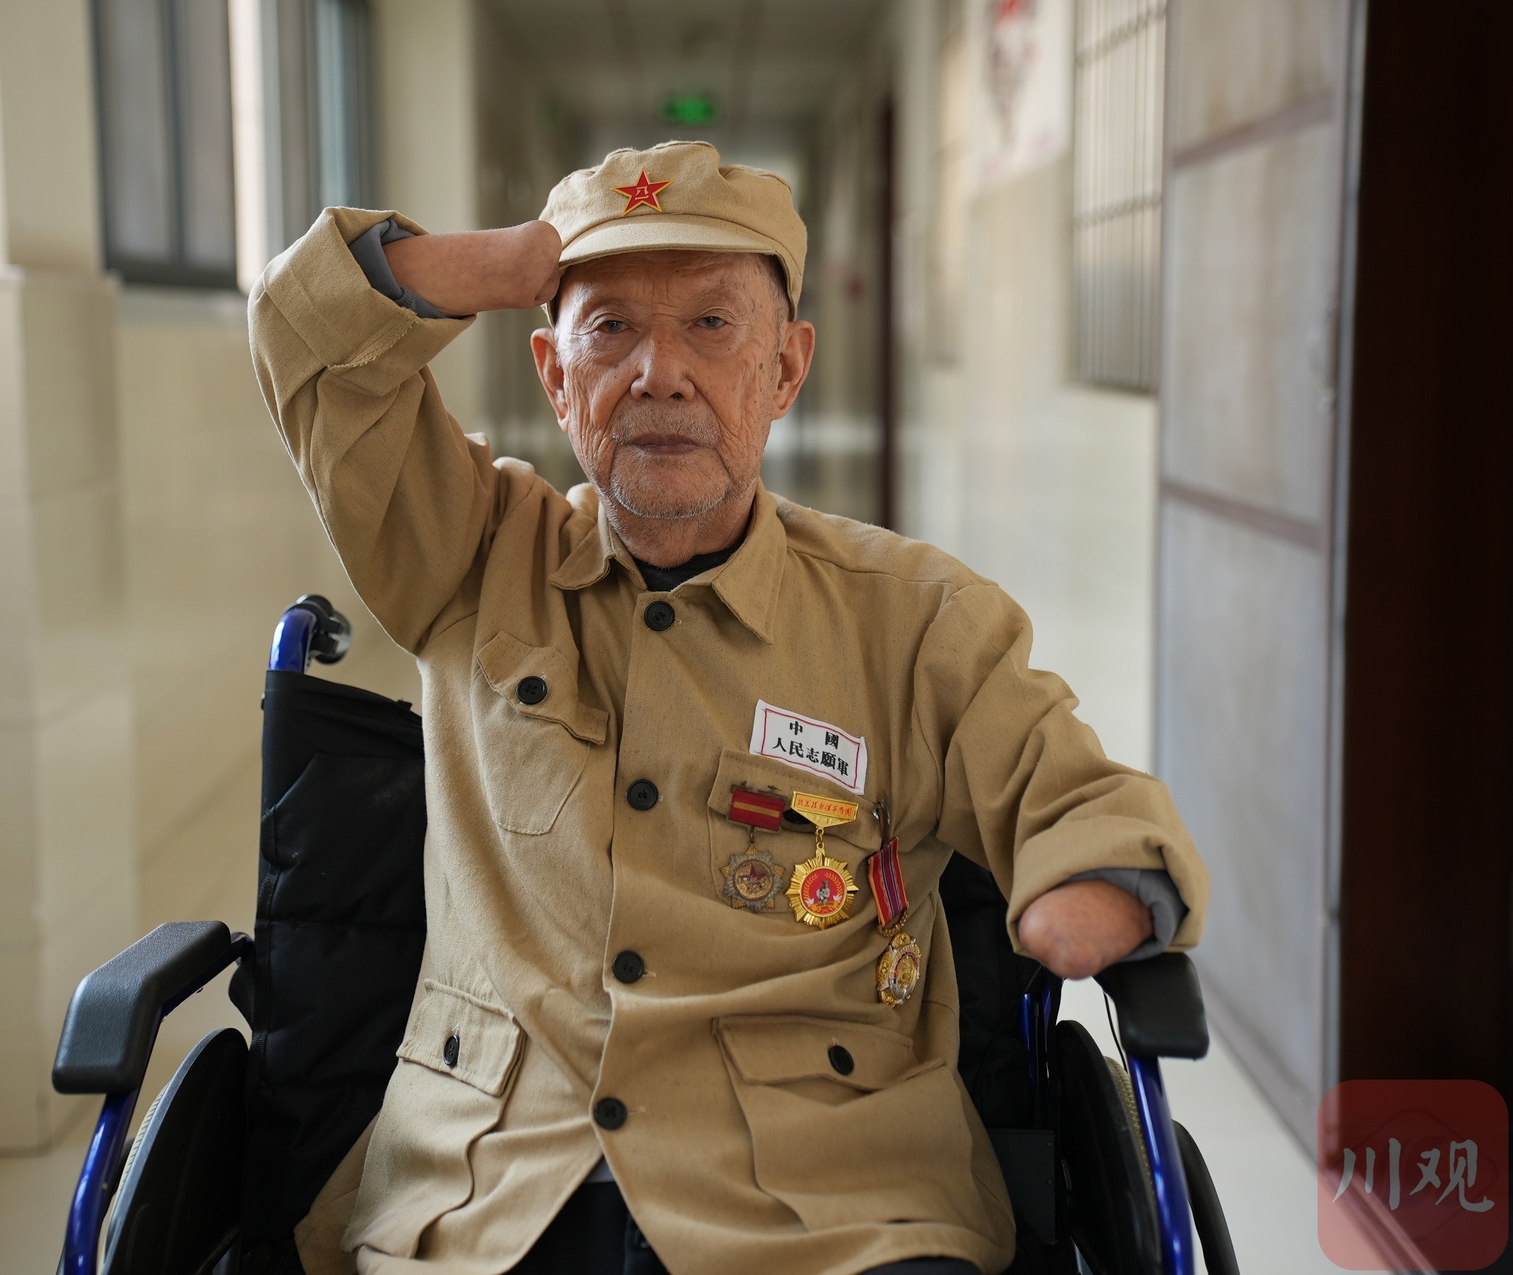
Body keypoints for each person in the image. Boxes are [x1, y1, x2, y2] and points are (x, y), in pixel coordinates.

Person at [249, 141, 1208, 1275]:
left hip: (832, 1204)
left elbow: (1075, 794)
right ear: (552, 375)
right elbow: (306, 339)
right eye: (610, 330)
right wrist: (511, 263)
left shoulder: (914, 619)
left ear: (787, 369)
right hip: (495, 1191)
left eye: (711, 324)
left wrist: (1086, 874)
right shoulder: (467, 557)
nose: (659, 373)